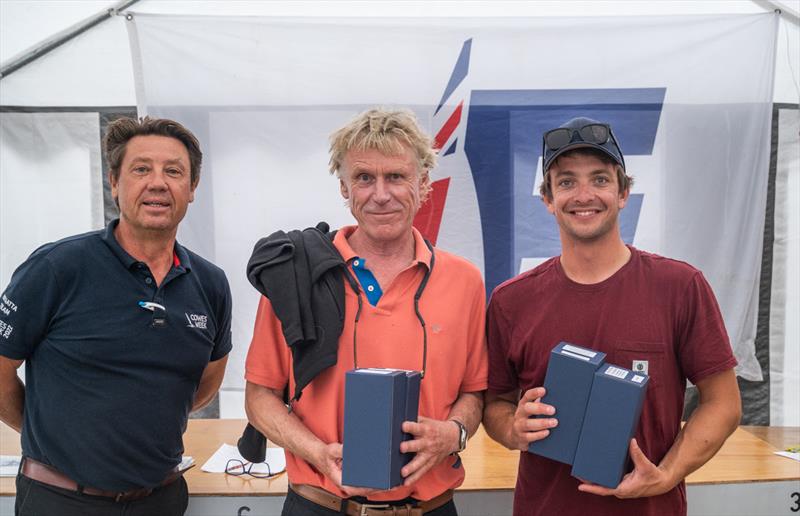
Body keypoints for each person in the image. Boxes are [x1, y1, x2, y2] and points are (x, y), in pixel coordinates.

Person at [482, 117, 742, 516]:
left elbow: (724, 403)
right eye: (566, 182)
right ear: (548, 200)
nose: (584, 195)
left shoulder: (679, 286)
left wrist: (667, 474)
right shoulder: (511, 301)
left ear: (623, 193)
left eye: (600, 179)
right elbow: (495, 405)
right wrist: (513, 429)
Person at [244, 108, 487, 516]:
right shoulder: (295, 274)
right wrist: (319, 454)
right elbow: (259, 398)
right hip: (319, 505)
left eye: (396, 177)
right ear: (344, 187)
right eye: (363, 178)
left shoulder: (465, 282)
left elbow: (474, 392)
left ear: (423, 182)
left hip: (431, 507)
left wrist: (454, 432)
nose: (380, 194)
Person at [0, 117, 232, 516]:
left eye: (173, 171)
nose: (157, 183)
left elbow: (207, 382)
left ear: (192, 189)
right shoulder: (57, 268)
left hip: (161, 500)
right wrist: (52, 436)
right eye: (141, 169)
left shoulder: (210, 283)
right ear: (113, 182)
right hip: (59, 500)